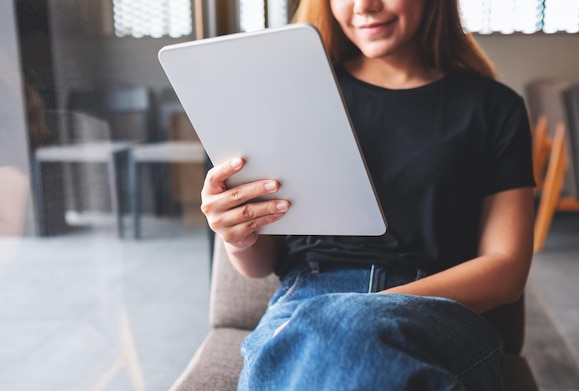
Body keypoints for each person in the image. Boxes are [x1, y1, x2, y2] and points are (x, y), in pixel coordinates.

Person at [201, 0, 535, 389]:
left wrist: (363, 310)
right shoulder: (291, 97)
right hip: (308, 294)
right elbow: (261, 265)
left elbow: (507, 270)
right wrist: (237, 236)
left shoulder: (495, 107)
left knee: (334, 330)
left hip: (438, 311)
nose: (365, 5)